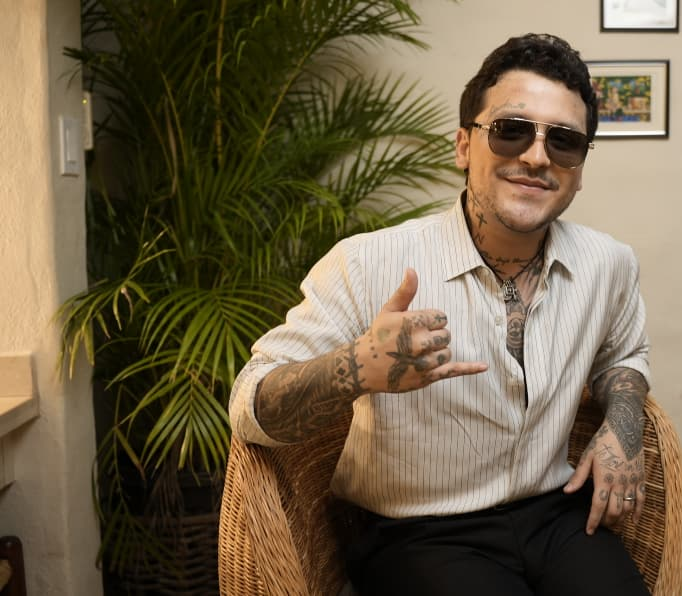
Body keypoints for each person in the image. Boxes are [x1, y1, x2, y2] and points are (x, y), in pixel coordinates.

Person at [229, 32, 652, 596]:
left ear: (579, 167)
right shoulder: (367, 263)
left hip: (557, 514)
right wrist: (355, 368)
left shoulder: (609, 264)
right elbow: (250, 408)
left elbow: (625, 354)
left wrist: (624, 426)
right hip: (417, 531)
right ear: (463, 146)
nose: (536, 156)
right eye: (510, 130)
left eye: (564, 141)